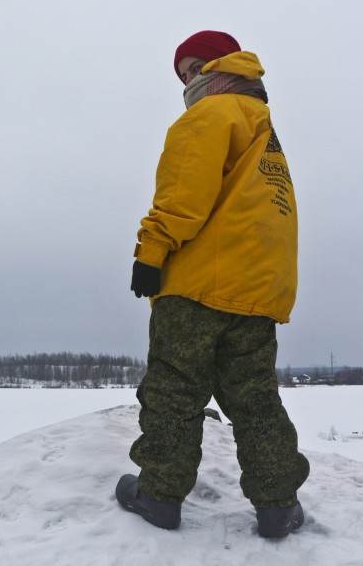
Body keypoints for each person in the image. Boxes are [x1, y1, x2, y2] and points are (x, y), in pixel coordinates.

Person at [116, 30, 310, 538]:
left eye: (194, 68)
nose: (188, 81)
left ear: (222, 66)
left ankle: (158, 495)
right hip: (256, 293)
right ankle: (277, 506)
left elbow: (183, 195)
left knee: (175, 392)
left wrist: (150, 253)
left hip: (197, 287)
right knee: (254, 399)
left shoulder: (207, 117)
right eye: (182, 75)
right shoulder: (266, 134)